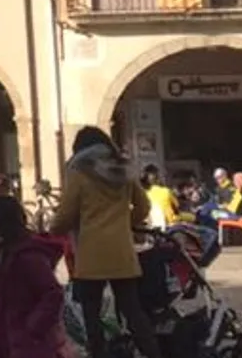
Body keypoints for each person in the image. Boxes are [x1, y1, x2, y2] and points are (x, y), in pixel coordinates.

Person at [49, 126, 160, 358]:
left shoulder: (79, 173)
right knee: (133, 310)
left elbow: (67, 212)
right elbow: (143, 206)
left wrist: (54, 229)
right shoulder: (124, 170)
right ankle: (153, 353)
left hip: (91, 252)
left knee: (92, 313)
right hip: (121, 251)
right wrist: (124, 223)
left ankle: (99, 354)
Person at [0, 196, 66, 358]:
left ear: (0, 223)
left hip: (26, 346)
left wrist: (33, 327)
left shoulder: (28, 257)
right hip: (0, 341)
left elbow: (53, 294)